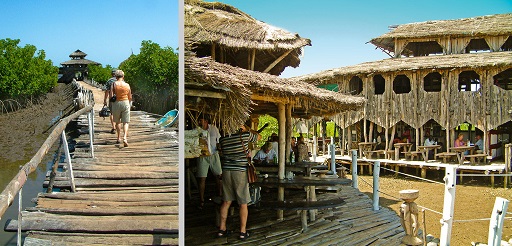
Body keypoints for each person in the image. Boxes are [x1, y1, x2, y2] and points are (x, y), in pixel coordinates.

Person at [217, 124, 261, 240]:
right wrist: (248, 129)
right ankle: (242, 232)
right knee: (243, 203)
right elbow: (259, 137)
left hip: (226, 171)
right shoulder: (245, 135)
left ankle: (222, 229)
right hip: (240, 172)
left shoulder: (223, 139)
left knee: (226, 202)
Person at [196, 117, 222, 209]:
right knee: (202, 178)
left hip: (214, 154)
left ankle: (219, 197)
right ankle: (201, 200)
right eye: (199, 120)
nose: (199, 122)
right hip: (202, 156)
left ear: (206, 121)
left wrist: (220, 148)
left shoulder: (214, 128)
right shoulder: (197, 130)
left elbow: (219, 141)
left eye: (201, 120)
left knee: (219, 176)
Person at [109, 70, 132, 147]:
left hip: (117, 103)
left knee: (118, 121)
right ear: (123, 76)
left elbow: (111, 96)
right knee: (126, 122)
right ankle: (125, 137)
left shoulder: (114, 84)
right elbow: (130, 97)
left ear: (116, 77)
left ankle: (119, 137)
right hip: (125, 102)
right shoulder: (127, 85)